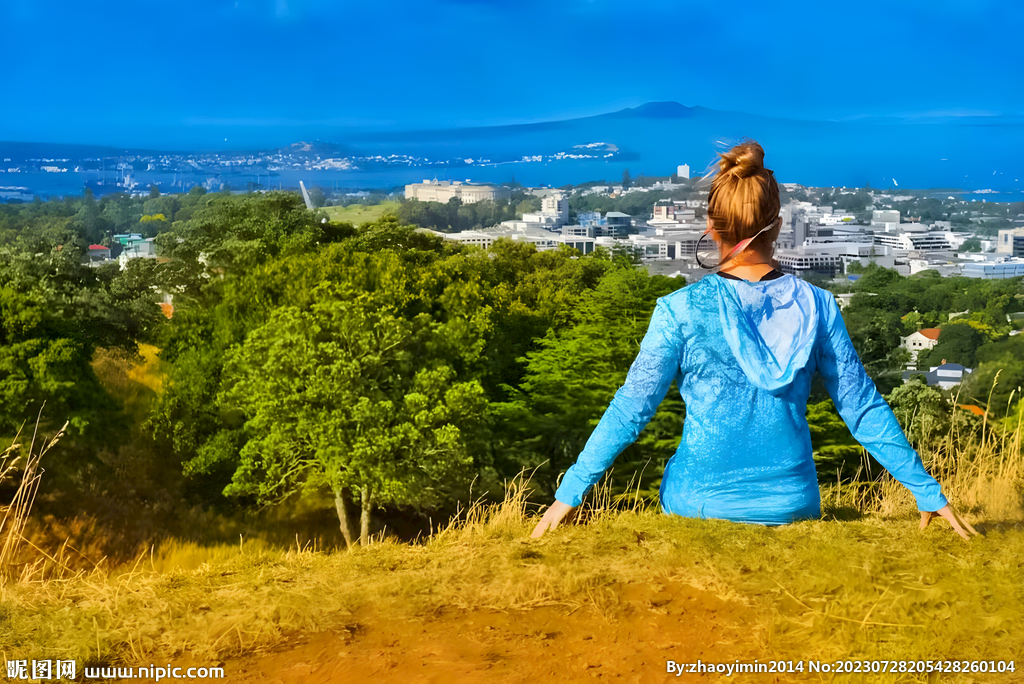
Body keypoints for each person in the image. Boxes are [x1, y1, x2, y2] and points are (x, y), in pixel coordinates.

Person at [531, 141, 977, 541]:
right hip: (791, 505)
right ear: (777, 225)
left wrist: (570, 493)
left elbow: (632, 407)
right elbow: (861, 407)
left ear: (711, 224)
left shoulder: (679, 310)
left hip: (698, 504)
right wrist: (926, 490)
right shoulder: (818, 306)